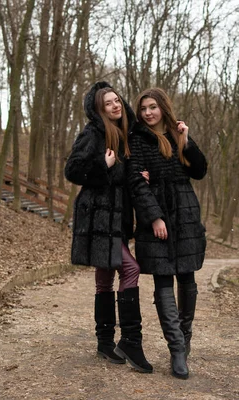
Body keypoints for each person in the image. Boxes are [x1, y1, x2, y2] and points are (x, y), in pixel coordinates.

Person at [64, 81, 152, 374]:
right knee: (131, 269)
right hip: (99, 219)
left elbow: (123, 177)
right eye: (108, 104)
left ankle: (104, 343)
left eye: (117, 101)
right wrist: (101, 164)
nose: (115, 106)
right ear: (99, 110)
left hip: (118, 218)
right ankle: (130, 341)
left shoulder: (126, 134)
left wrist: (137, 175)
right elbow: (73, 169)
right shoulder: (93, 133)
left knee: (105, 278)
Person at [126, 87, 207, 380]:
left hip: (185, 213)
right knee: (163, 280)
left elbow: (199, 171)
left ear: (163, 107)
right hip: (157, 216)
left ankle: (185, 343)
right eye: (143, 108)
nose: (148, 113)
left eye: (152, 107)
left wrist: (187, 142)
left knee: (187, 278)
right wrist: (155, 217)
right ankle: (175, 349)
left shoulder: (178, 134)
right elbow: (135, 181)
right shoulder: (136, 139)